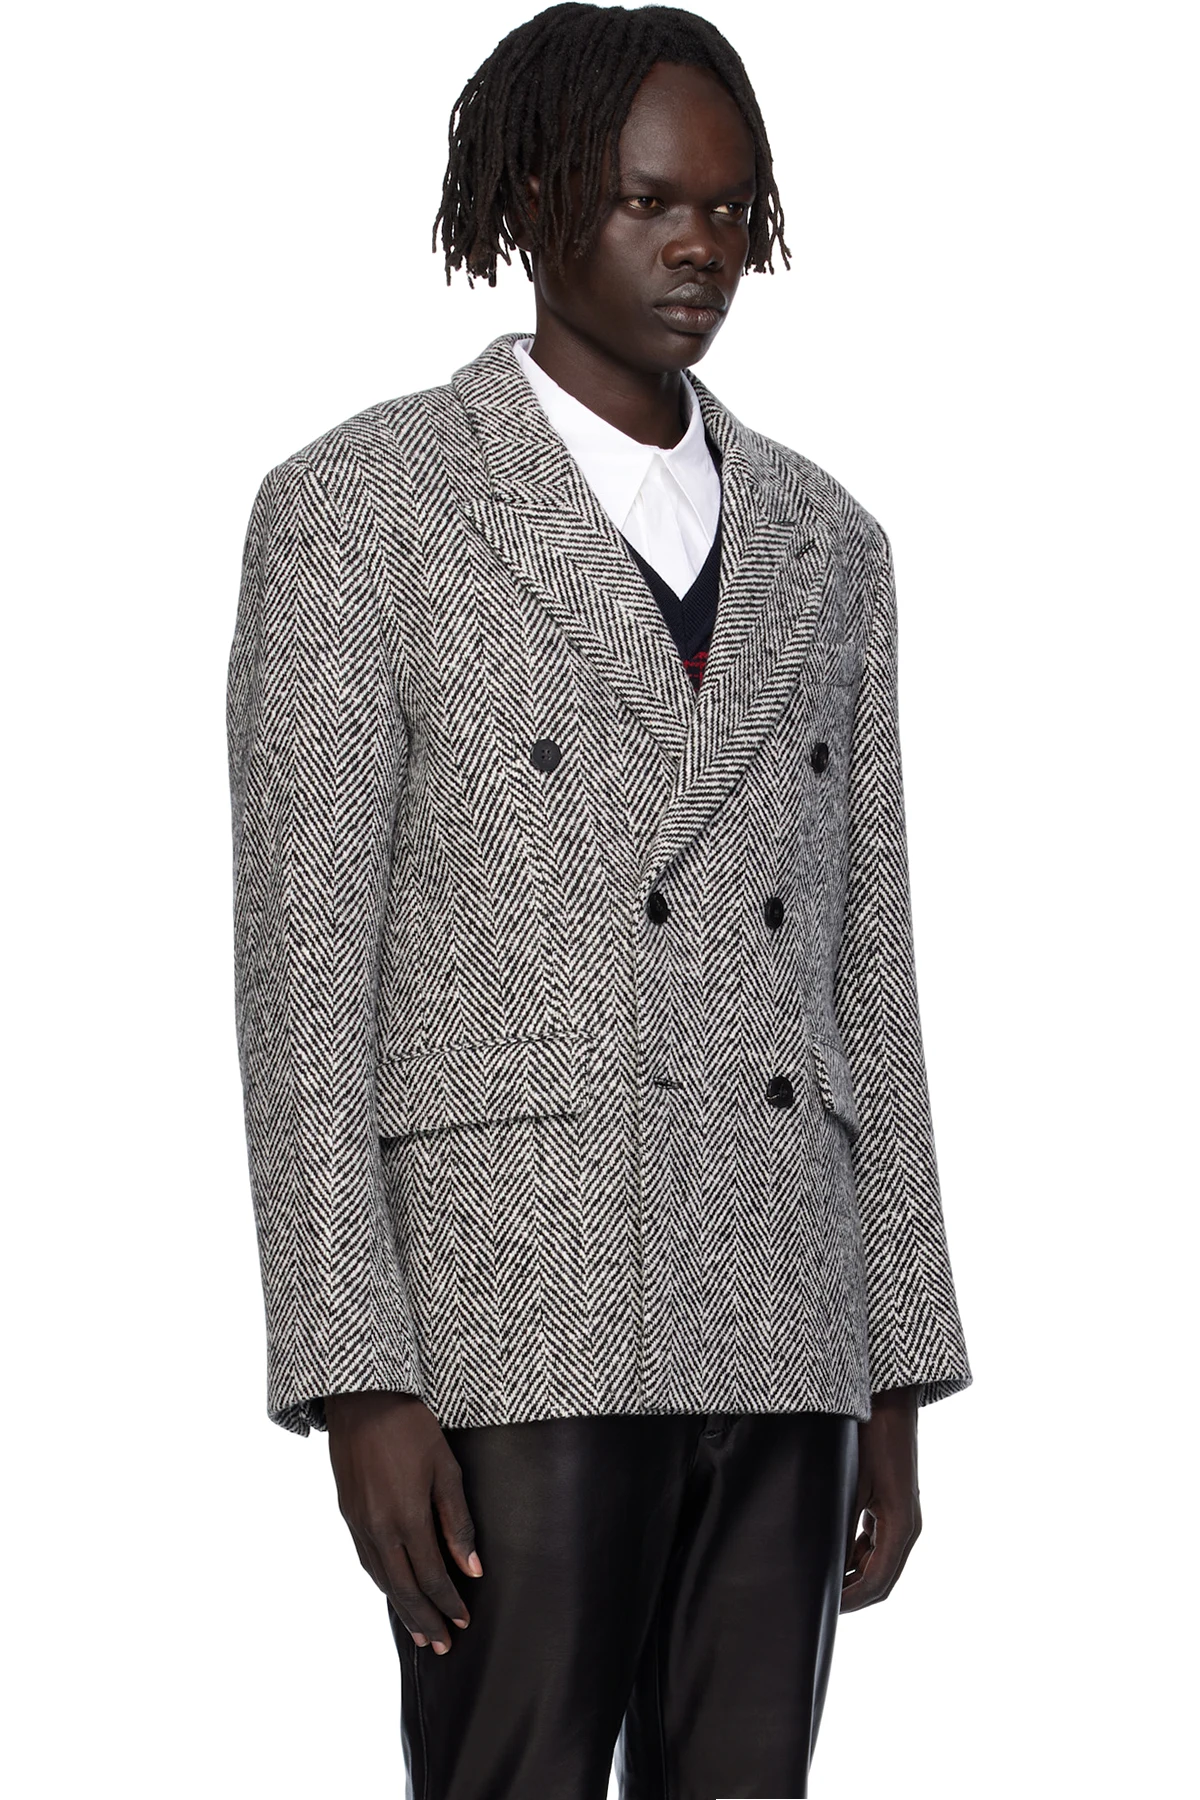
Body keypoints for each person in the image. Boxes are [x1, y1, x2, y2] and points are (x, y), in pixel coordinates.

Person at [225, 5, 973, 1794]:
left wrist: (896, 1365)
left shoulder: (831, 543)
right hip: (515, 1310)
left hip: (785, 1307)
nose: (699, 247)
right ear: (535, 202)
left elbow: (870, 963)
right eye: (651, 204)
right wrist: (354, 1369)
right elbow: (302, 973)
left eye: (728, 208)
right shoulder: (365, 510)